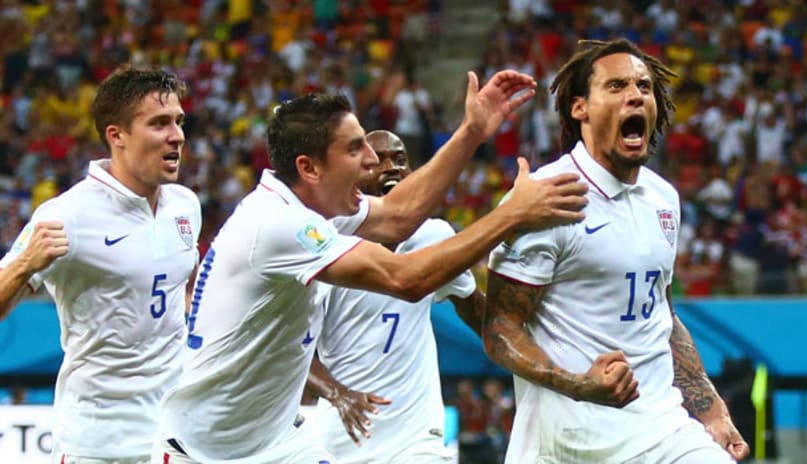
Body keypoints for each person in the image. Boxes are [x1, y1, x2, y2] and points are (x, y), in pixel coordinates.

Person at [153, 70, 589, 464]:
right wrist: (512, 214)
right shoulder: (278, 225)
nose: (370, 161)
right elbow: (406, 278)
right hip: (205, 450)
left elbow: (400, 214)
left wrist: (471, 131)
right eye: (354, 149)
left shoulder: (315, 210)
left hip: (278, 443)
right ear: (309, 168)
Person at [483, 39, 750, 464]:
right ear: (579, 108)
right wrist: (577, 384)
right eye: (617, 86)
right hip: (573, 444)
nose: (636, 96)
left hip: (664, 432)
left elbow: (661, 315)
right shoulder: (544, 199)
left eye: (644, 87)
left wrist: (710, 408)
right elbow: (500, 328)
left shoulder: (663, 199)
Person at [0, 65, 201, 464]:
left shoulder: (185, 206)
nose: (176, 135)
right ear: (117, 135)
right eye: (159, 123)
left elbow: (173, 294)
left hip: (176, 438)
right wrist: (24, 265)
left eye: (178, 121)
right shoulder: (67, 215)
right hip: (100, 444)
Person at [305, 129, 486, 464]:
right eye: (377, 161)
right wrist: (339, 395)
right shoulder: (327, 244)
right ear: (353, 176)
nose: (391, 167)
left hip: (418, 437)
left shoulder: (436, 235)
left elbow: (477, 313)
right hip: (347, 436)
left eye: (400, 160)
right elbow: (293, 348)